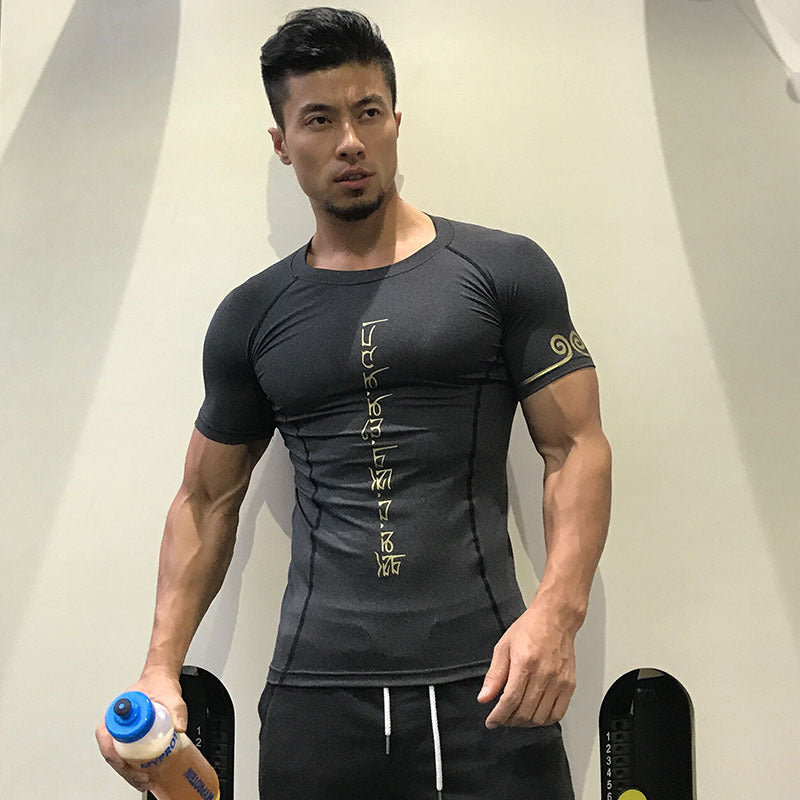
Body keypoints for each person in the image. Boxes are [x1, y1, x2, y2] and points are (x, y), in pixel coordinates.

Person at [96, 7, 611, 799]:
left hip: (492, 685)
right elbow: (204, 499)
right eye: (319, 119)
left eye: (368, 112)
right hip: (318, 700)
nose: (350, 141)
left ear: (396, 121)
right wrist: (160, 668)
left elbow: (574, 446)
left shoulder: (503, 270)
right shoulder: (252, 316)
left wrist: (559, 613)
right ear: (282, 142)